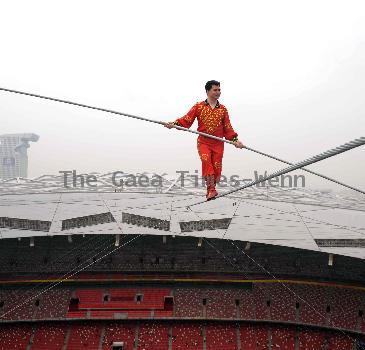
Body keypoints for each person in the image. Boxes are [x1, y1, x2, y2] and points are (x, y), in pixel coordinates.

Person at [165, 80, 244, 200]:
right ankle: (211, 190)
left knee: (216, 167)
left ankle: (210, 190)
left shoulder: (223, 109)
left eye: (219, 90)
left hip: (218, 143)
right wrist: (174, 124)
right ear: (207, 91)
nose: (218, 92)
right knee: (207, 162)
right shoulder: (199, 106)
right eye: (215, 90)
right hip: (204, 142)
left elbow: (228, 127)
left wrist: (235, 140)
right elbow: (186, 120)